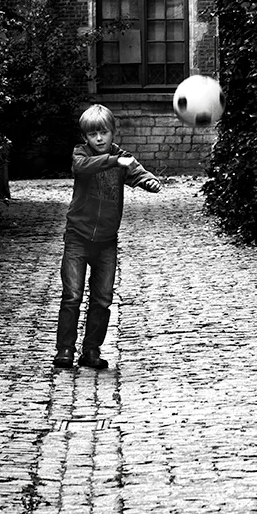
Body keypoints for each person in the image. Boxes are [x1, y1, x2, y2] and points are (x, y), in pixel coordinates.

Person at [53, 104, 162, 371]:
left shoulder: (123, 158)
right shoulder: (82, 155)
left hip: (106, 241)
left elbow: (137, 171)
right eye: (93, 135)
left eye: (103, 133)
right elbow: (82, 168)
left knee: (102, 299)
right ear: (85, 138)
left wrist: (149, 181)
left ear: (113, 132)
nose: (99, 139)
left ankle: (91, 350)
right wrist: (114, 162)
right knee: (72, 295)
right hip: (77, 237)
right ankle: (65, 350)